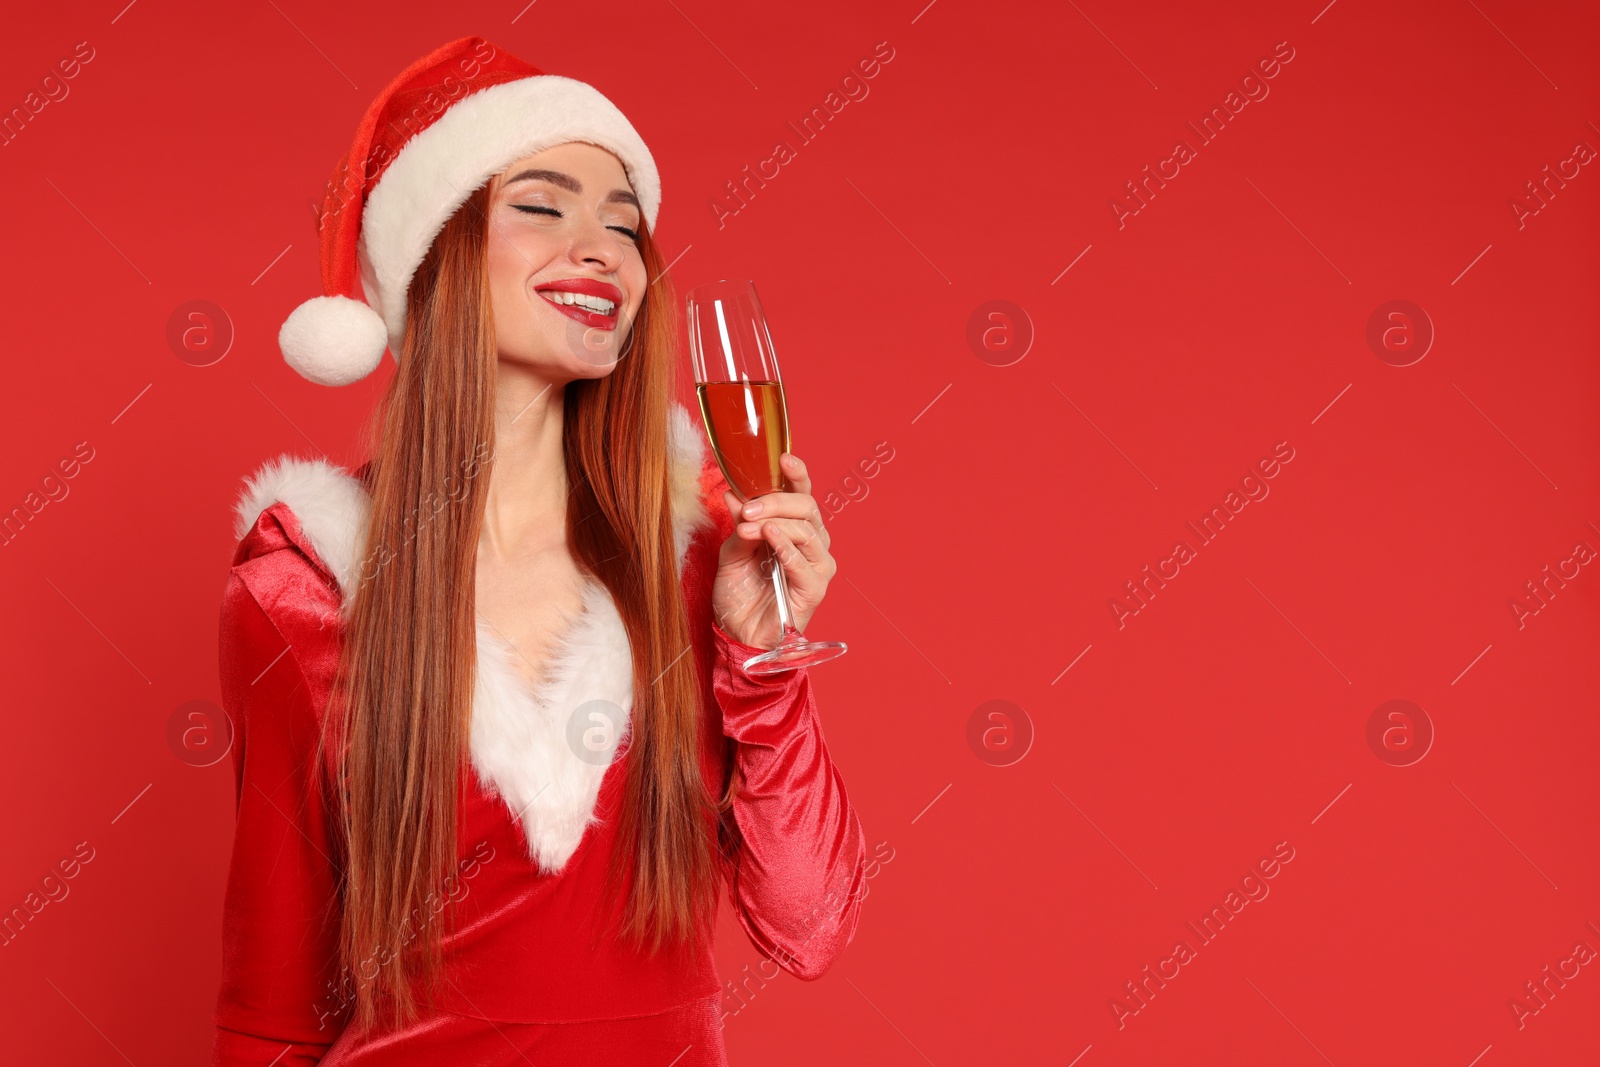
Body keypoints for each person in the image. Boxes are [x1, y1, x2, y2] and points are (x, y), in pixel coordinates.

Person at [213, 36, 866, 1066]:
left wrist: (764, 659)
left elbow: (810, 925)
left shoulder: (694, 563)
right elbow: (273, 1006)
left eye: (623, 221)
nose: (605, 247)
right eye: (543, 204)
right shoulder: (299, 595)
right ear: (435, 249)